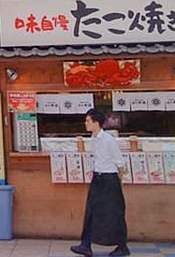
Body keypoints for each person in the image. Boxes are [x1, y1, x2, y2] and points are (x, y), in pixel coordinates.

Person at [71, 109, 130, 257]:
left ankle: (122, 247)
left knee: (114, 213)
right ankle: (86, 244)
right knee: (91, 210)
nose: (85, 123)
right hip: (97, 178)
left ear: (96, 123)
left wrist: (118, 182)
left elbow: (120, 163)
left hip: (110, 180)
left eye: (88, 121)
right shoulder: (93, 138)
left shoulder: (108, 140)